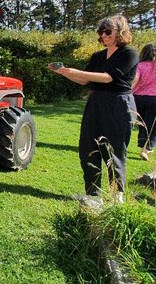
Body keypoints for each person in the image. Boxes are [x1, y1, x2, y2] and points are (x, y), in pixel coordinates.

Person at [51, 15, 138, 204]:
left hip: (118, 104)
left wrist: (78, 72)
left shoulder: (129, 53)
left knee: (114, 149)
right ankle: (92, 194)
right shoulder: (98, 56)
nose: (104, 35)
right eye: (101, 32)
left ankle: (117, 196)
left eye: (108, 31)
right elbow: (85, 80)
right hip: (96, 102)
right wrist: (66, 73)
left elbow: (108, 77)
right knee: (88, 148)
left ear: (120, 31)